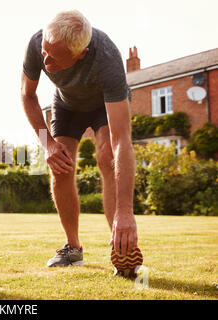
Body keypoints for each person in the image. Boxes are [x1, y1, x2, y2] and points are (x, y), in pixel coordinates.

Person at [20, 10, 141, 272]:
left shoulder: (106, 59)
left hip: (103, 106)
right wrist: (48, 144)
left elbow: (122, 140)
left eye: (55, 56)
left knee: (108, 156)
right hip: (67, 106)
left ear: (80, 54)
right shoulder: (37, 44)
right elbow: (27, 95)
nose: (45, 58)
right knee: (61, 166)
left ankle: (120, 246)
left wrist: (126, 210)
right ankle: (72, 248)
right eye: (45, 51)